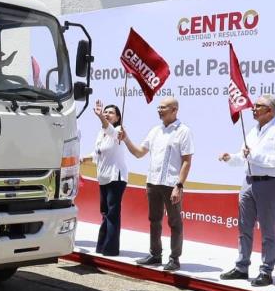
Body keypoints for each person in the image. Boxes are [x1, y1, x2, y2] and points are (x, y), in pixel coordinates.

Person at [218, 94, 275, 287]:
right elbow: (244, 156)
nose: (253, 108)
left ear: (270, 111)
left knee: (268, 229)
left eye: (258, 106)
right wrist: (231, 158)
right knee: (244, 227)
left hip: (270, 183)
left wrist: (253, 156)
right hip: (248, 182)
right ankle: (242, 267)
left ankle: (266, 271)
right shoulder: (253, 131)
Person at [118, 97, 194, 271]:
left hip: (171, 184)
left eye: (163, 107)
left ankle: (174, 258)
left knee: (175, 222)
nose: (159, 110)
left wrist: (179, 185)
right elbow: (139, 153)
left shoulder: (183, 131)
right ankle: (155, 254)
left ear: (174, 110)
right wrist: (126, 138)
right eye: (158, 107)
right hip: (153, 182)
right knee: (154, 220)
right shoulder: (155, 131)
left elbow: (186, 161)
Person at [80, 100, 128, 256]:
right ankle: (102, 246)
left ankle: (111, 249)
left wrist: (100, 116)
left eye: (111, 113)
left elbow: (111, 130)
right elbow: (97, 153)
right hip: (103, 177)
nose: (107, 114)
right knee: (105, 213)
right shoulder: (101, 133)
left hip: (116, 177)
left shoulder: (119, 130)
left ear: (118, 117)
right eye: (105, 112)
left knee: (112, 214)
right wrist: (83, 159)